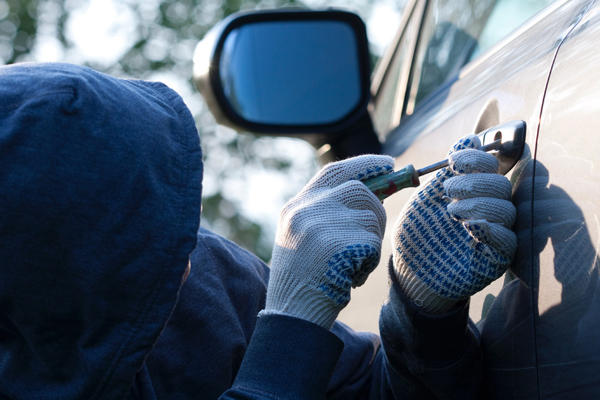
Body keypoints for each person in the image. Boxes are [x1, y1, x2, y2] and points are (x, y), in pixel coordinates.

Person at [0, 62, 516, 399]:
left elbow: (371, 394)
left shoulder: (198, 283)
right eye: (127, 233)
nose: (180, 250)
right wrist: (290, 329)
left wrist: (422, 316)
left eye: (162, 205)